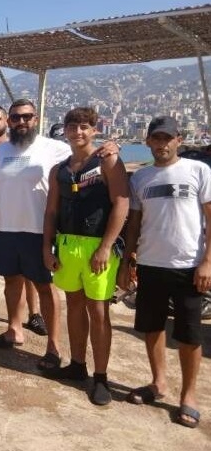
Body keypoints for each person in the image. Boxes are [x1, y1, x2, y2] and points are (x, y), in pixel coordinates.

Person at [118, 116, 209, 428]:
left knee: (189, 334)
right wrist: (127, 261)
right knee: (152, 327)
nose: (162, 144)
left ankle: (189, 396)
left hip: (188, 266)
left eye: (167, 138)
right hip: (150, 264)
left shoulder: (199, 170)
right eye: (156, 138)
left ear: (178, 140)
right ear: (148, 142)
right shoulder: (141, 178)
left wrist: (208, 262)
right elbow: (134, 223)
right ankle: (158, 383)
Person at [41, 107, 129, 406]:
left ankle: (101, 377)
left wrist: (106, 246)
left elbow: (121, 203)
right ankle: (78, 365)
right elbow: (51, 211)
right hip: (68, 244)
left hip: (97, 245)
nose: (77, 132)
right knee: (75, 305)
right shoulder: (60, 169)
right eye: (72, 126)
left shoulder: (107, 161)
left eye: (84, 127)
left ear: (94, 130)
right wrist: (46, 247)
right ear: (65, 130)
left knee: (99, 311)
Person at [0, 104, 47, 336]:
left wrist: (109, 147)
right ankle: (14, 329)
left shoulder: (52, 147)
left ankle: (49, 340)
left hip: (37, 228)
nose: (21, 121)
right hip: (4, 227)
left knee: (42, 284)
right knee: (11, 279)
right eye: (16, 117)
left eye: (26, 116)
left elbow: (83, 157)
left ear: (35, 119)